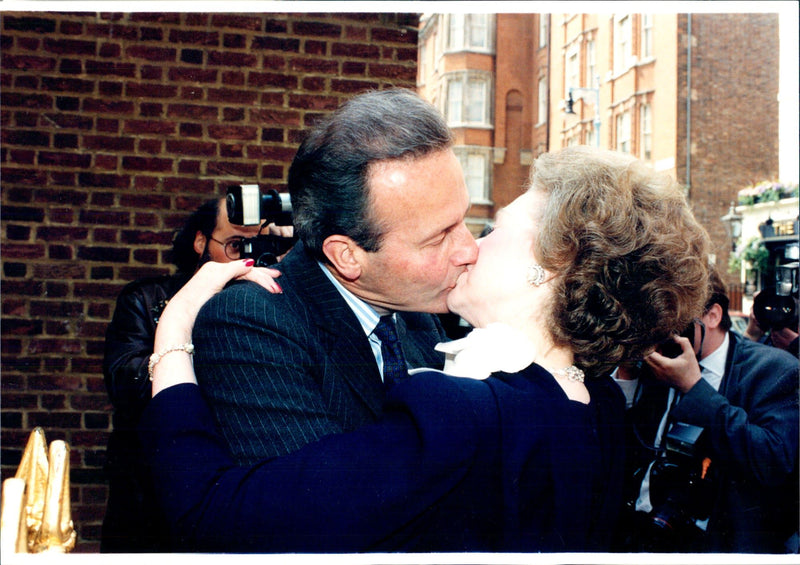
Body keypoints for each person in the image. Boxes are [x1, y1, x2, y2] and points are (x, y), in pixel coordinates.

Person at [139, 145, 712, 552]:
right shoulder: (603, 408)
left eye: (491, 230)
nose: (467, 249)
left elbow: (209, 511)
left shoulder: (463, 415)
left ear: (551, 266)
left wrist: (172, 336)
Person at [192, 88, 478, 465]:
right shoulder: (250, 325)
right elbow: (326, 506)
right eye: (440, 236)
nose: (469, 249)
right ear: (346, 256)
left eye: (463, 220)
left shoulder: (415, 314)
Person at [101, 197, 282, 552]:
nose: (247, 256)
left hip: (241, 494)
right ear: (201, 242)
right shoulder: (150, 298)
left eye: (259, 245)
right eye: (235, 245)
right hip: (153, 500)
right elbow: (127, 386)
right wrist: (185, 313)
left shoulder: (277, 305)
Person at [613, 268, 800, 553]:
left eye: (673, 317)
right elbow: (624, 442)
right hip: (643, 530)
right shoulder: (660, 362)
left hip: (718, 544)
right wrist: (627, 370)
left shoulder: (774, 371)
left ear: (712, 315)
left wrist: (694, 388)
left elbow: (773, 460)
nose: (664, 329)